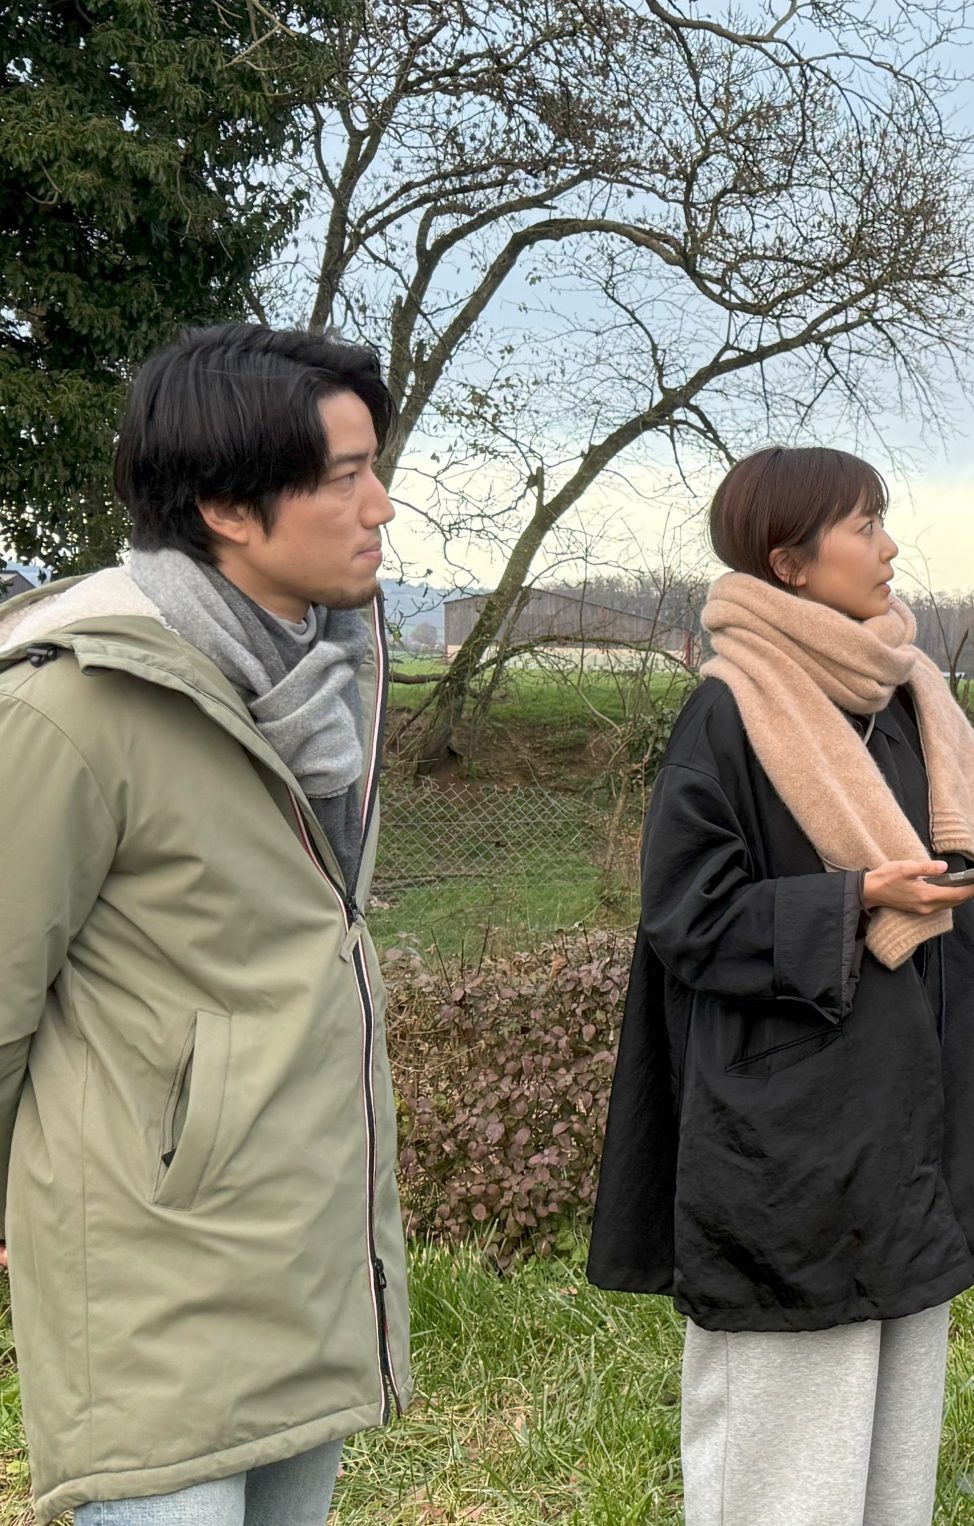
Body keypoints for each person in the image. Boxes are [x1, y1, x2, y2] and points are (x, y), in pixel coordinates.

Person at [586, 446, 974, 1525]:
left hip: (915, 1118)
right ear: (787, 560)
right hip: (790, 1146)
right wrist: (852, 900)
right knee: (784, 1465)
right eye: (864, 524)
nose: (890, 546)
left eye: (883, 519)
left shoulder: (912, 697)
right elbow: (687, 917)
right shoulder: (730, 711)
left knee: (895, 1460)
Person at [0, 324, 409, 1523]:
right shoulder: (71, 704)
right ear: (229, 507)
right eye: (345, 476)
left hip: (303, 1252)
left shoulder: (319, 682)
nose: (381, 505)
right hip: (149, 1280)